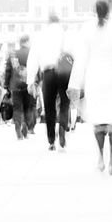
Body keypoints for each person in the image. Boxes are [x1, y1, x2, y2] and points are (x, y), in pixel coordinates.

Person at [68, 0, 112, 174]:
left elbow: (81, 59)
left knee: (99, 120)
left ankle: (100, 157)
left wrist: (75, 83)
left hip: (95, 78)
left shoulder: (87, 28)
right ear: (109, 10)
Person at [27, 14, 72, 151]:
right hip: (64, 72)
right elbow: (74, 55)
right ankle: (63, 128)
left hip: (48, 73)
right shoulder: (65, 34)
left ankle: (51, 140)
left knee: (49, 106)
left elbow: (33, 58)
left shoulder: (41, 36)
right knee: (64, 102)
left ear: (48, 22)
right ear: (59, 22)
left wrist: (30, 80)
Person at [4, 36, 35, 139]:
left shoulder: (13, 54)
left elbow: (8, 70)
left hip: (16, 85)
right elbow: (36, 69)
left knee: (17, 108)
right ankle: (25, 128)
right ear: (27, 42)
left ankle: (18, 128)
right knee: (28, 108)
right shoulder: (31, 53)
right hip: (28, 84)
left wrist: (6, 85)